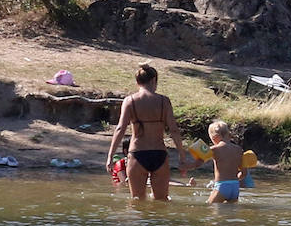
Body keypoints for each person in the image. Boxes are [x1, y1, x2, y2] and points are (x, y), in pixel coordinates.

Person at [105, 63, 189, 201]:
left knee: (137, 201)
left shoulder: (130, 101)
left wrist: (110, 156)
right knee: (162, 202)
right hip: (159, 154)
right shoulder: (164, 101)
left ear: (137, 82)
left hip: (138, 154)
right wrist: (182, 156)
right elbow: (174, 130)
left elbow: (120, 129)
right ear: (153, 80)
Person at [187, 120, 245, 204]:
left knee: (210, 207)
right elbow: (244, 173)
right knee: (231, 213)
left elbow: (197, 164)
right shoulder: (239, 150)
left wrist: (185, 166)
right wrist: (231, 181)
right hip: (235, 187)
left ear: (214, 137)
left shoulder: (214, 149)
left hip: (222, 186)